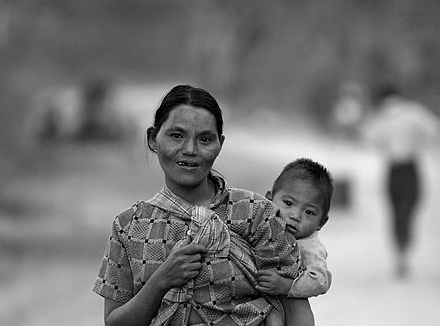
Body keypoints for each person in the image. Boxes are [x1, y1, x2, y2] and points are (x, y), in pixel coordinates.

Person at [92, 84, 311, 326]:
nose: (190, 150)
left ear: (220, 143)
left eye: (205, 139)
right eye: (176, 135)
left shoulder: (255, 212)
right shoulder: (129, 226)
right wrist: (161, 279)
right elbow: (114, 323)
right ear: (153, 139)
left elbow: (294, 303)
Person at [361, 85, 440, 278]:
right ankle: (405, 252)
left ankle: (400, 254)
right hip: (411, 168)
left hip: (393, 170)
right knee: (408, 212)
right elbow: (434, 130)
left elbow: (369, 138)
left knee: (396, 213)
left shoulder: (380, 117)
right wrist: (419, 144)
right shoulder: (415, 112)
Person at [259, 158, 333, 325]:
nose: (295, 216)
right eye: (288, 203)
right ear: (268, 200)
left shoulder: (310, 247)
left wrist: (285, 286)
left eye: (309, 212)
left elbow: (320, 281)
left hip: (292, 311)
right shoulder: (260, 226)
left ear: (321, 223)